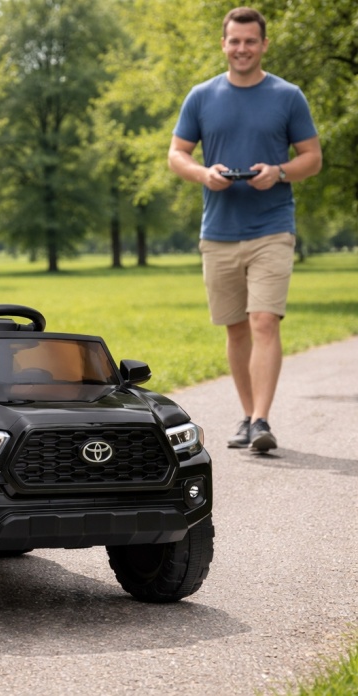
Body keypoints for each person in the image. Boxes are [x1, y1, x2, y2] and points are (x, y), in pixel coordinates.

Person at [168, 7, 322, 451]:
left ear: (264, 45)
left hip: (272, 226)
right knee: (236, 329)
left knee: (264, 321)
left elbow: (313, 157)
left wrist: (279, 171)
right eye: (234, 41)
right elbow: (176, 154)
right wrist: (204, 174)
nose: (242, 48)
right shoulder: (201, 96)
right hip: (218, 231)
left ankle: (261, 420)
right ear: (223, 44)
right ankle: (248, 416)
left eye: (250, 41)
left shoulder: (288, 96)